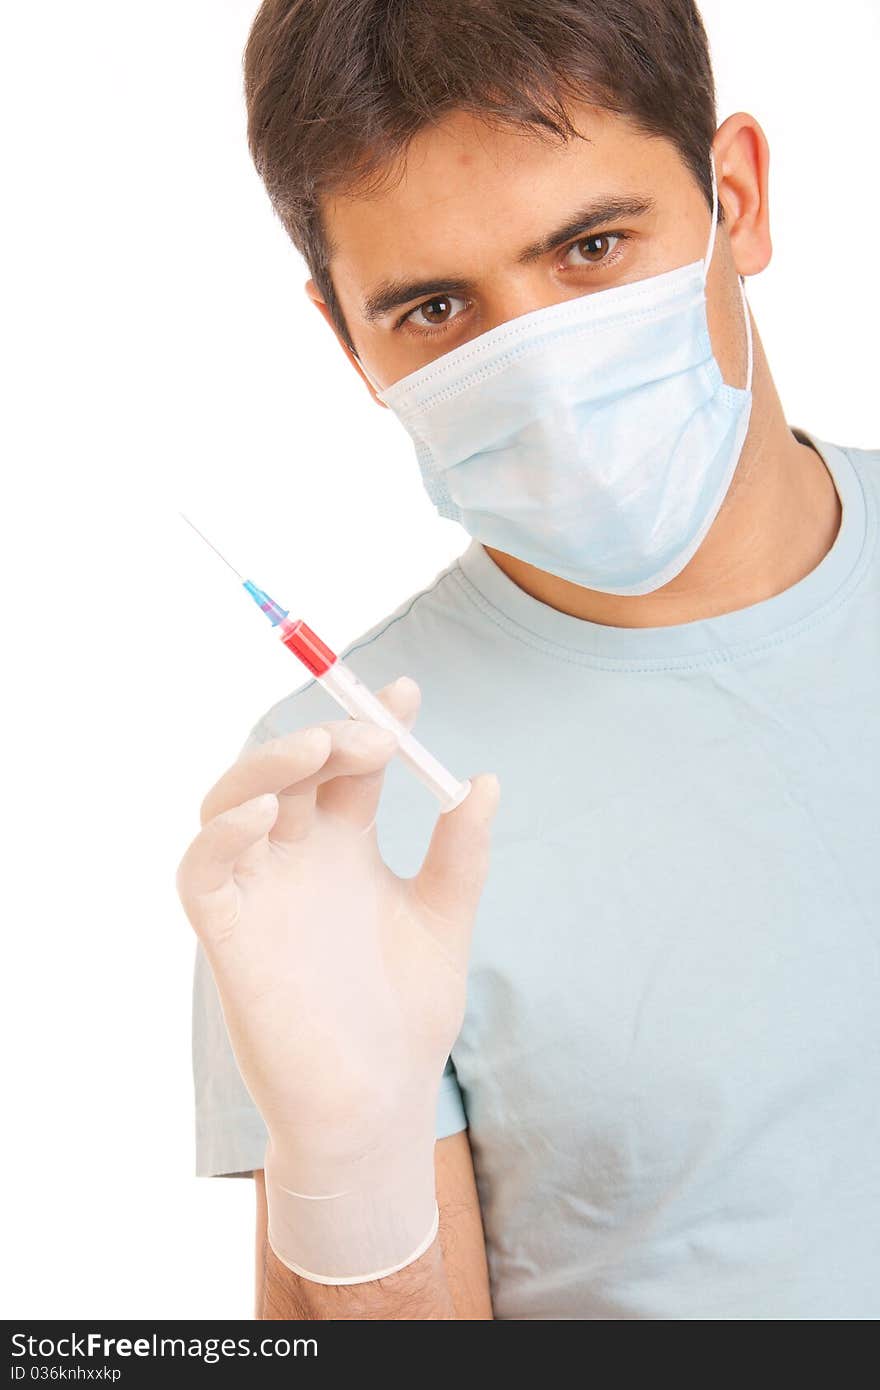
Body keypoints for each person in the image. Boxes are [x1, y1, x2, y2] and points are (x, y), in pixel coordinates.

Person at [177, 0, 880, 1320]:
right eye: (436, 306)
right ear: (349, 346)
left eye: (592, 246)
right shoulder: (335, 801)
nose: (539, 370)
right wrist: (352, 1166)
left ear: (737, 197)